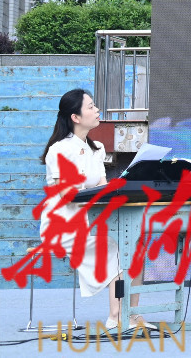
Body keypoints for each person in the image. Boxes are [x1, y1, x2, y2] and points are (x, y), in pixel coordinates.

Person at [39, 90, 144, 332]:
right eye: (91, 107)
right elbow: (67, 195)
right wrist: (97, 192)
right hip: (63, 224)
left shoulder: (97, 148)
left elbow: (101, 188)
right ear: (75, 117)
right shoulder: (59, 150)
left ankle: (131, 313)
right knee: (118, 246)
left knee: (135, 246)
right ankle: (116, 316)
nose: (97, 111)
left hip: (90, 220)